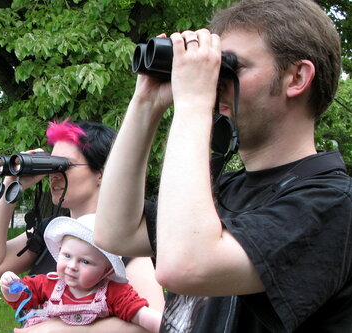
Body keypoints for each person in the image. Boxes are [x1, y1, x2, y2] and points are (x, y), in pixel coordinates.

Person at [94, 0, 351, 332]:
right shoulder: (225, 188)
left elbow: (185, 267)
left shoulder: (331, 204)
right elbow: (115, 232)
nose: (215, 82)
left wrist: (193, 102)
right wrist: (145, 102)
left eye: (231, 67)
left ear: (296, 77)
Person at [0, 119, 165, 332]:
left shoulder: (124, 242)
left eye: (64, 165)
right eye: (52, 165)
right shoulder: (52, 233)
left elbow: (154, 325)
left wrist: (54, 329)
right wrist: (11, 184)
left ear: (101, 173)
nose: (54, 174)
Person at [0, 214, 162, 332]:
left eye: (85, 261)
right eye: (67, 256)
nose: (72, 266)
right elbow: (22, 299)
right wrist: (9, 287)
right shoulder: (48, 284)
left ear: (106, 270)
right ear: (60, 251)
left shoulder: (114, 293)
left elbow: (141, 315)